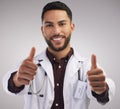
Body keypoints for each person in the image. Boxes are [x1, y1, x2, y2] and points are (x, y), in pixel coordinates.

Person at [3, 1, 115, 109]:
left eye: (62, 24)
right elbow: (9, 84)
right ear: (42, 30)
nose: (56, 31)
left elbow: (106, 91)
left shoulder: (87, 66)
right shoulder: (30, 65)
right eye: (49, 25)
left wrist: (102, 89)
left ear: (72, 27)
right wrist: (17, 79)